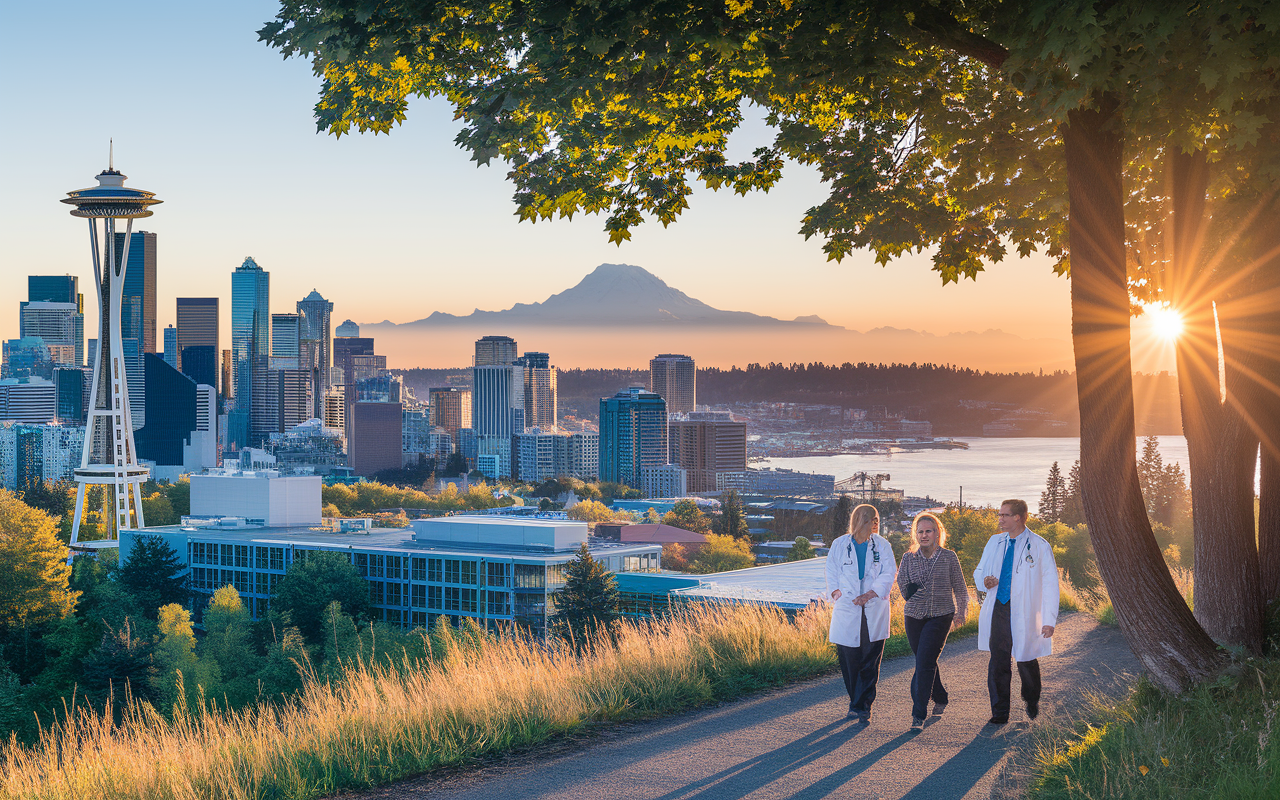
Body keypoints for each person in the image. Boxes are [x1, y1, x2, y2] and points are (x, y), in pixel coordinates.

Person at [974, 499, 1060, 725]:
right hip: (999, 608)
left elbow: (1051, 584)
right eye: (1000, 515)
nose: (1000, 519)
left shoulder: (1039, 545)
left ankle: (1031, 699)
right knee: (998, 660)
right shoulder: (994, 542)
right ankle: (1000, 711)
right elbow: (980, 570)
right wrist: (985, 581)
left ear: (1018, 518)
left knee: (1026, 659)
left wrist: (1049, 620)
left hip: (1025, 611)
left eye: (1004, 515)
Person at [825, 503, 898, 724]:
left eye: (877, 519)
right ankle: (856, 700)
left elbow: (889, 572)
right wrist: (835, 591)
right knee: (849, 659)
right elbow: (831, 570)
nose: (876, 523)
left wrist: (871, 593)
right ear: (859, 520)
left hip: (874, 607)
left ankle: (862, 706)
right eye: (871, 519)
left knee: (869, 659)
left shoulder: (882, 545)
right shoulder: (840, 545)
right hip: (847, 607)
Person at [897, 512, 970, 729]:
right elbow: (902, 582)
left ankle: (918, 715)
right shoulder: (908, 558)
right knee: (925, 660)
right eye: (920, 532)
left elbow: (960, 588)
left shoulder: (949, 557)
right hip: (913, 616)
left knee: (924, 663)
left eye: (929, 531)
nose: (924, 535)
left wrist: (962, 611)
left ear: (937, 533)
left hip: (941, 616)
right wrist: (914, 594)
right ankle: (940, 696)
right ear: (915, 535)